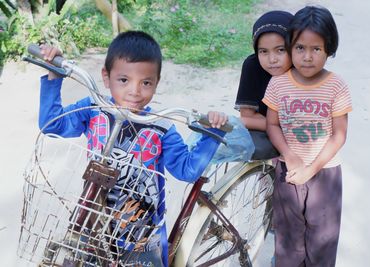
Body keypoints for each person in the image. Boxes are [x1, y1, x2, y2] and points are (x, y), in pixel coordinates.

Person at [38, 31, 228, 267]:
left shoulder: (161, 128)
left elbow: (187, 170)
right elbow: (53, 125)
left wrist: (213, 133)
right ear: (106, 78)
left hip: (140, 233)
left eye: (146, 83)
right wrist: (54, 77)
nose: (135, 91)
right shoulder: (94, 109)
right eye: (124, 80)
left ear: (156, 83)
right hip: (92, 220)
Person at [263, 6, 352, 266]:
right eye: (300, 48)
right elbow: (272, 124)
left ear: (329, 50)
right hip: (288, 171)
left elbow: (339, 135)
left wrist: (311, 168)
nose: (308, 57)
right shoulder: (279, 84)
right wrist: (290, 157)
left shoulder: (336, 86)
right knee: (288, 240)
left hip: (325, 173)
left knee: (322, 241)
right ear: (291, 46)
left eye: (317, 49)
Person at [235, 10, 293, 160]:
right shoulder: (253, 66)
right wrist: (279, 126)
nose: (272, 59)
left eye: (281, 50)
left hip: (304, 139)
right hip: (266, 134)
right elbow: (247, 116)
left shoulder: (302, 70)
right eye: (264, 51)